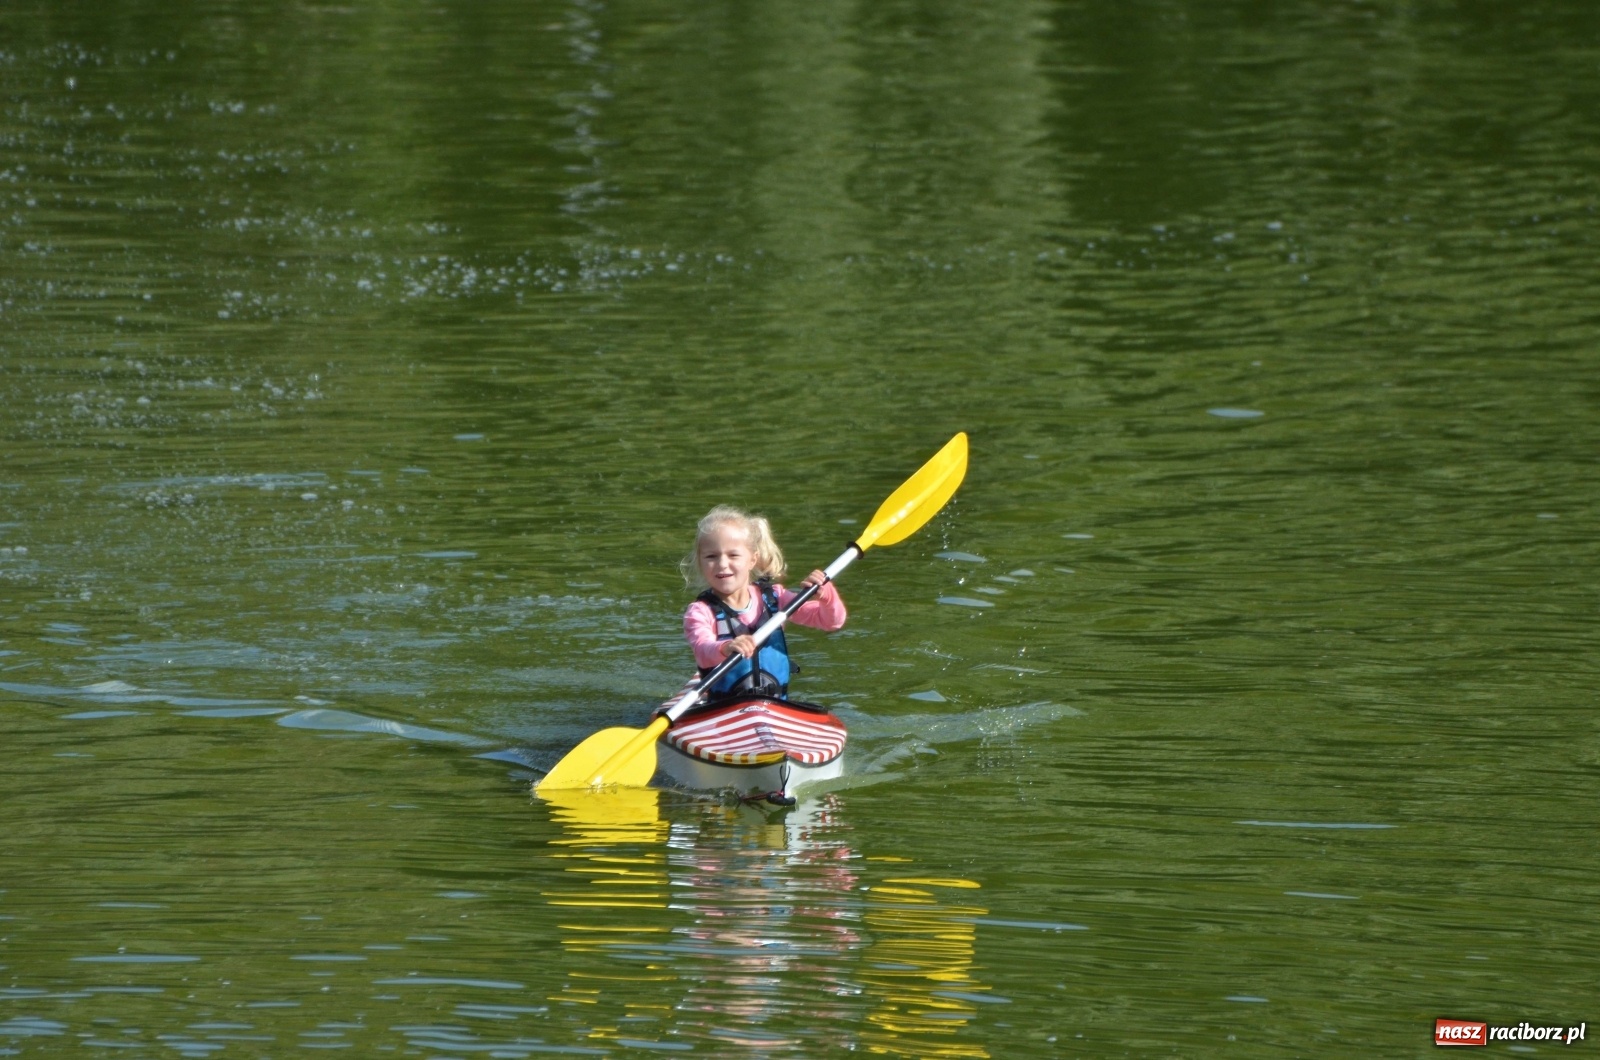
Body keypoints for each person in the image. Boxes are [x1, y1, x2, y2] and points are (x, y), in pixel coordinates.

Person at [681, 505, 846, 701]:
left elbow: (831, 622)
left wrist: (827, 596)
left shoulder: (775, 598)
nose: (722, 564)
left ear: (752, 559)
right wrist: (725, 647)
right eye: (711, 556)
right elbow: (702, 649)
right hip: (722, 707)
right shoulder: (700, 611)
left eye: (733, 555)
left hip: (775, 705)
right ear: (700, 562)